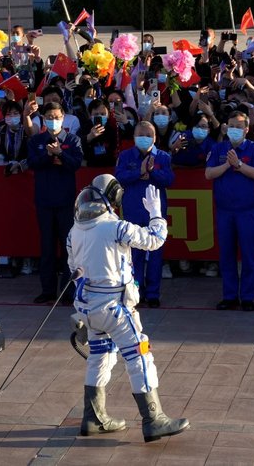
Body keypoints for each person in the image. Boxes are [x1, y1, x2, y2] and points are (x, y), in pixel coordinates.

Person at [68, 175, 189, 442]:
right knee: (140, 354)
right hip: (115, 308)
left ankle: (93, 417)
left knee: (100, 357)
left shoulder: (75, 230)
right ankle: (154, 418)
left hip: (89, 307)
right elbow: (154, 239)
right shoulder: (116, 227)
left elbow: (73, 269)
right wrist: (157, 215)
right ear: (113, 198)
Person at [205, 111, 254, 311]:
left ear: (247, 129)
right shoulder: (218, 148)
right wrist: (226, 164)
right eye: (231, 126)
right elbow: (209, 173)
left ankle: (247, 296)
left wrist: (239, 164)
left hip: (247, 210)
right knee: (227, 255)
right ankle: (229, 296)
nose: (235, 130)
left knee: (248, 254)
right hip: (225, 211)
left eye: (239, 126)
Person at [28, 102, 83, 304]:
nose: (53, 120)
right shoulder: (36, 141)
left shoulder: (72, 139)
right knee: (47, 247)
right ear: (43, 119)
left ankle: (68, 292)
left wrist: (61, 153)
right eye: (49, 117)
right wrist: (48, 154)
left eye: (57, 116)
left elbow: (76, 164)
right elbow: (33, 163)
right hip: (44, 201)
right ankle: (48, 290)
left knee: (68, 248)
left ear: (63, 117)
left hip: (66, 201)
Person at [115, 122, 175, 307]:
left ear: (155, 137)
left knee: (155, 252)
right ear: (133, 137)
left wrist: (152, 172)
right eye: (140, 134)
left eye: (148, 134)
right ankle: (136, 293)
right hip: (133, 210)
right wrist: (139, 171)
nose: (144, 137)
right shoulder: (125, 156)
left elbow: (169, 179)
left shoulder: (163, 157)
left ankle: (153, 294)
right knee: (134, 255)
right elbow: (119, 177)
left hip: (155, 213)